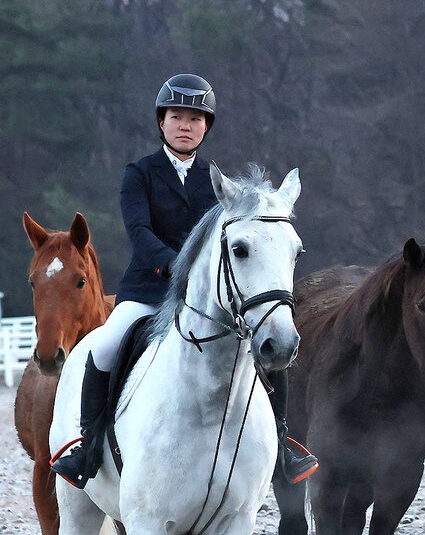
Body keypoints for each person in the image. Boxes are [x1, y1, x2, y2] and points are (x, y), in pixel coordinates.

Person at [50, 74, 318, 488]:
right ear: (162, 122)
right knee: (103, 347)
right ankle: (88, 446)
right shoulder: (139, 174)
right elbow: (139, 232)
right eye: (176, 117)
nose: (185, 125)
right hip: (150, 289)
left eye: (194, 119)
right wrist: (178, 266)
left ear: (206, 126)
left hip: (209, 298)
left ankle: (281, 444)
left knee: (268, 347)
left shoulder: (220, 184)